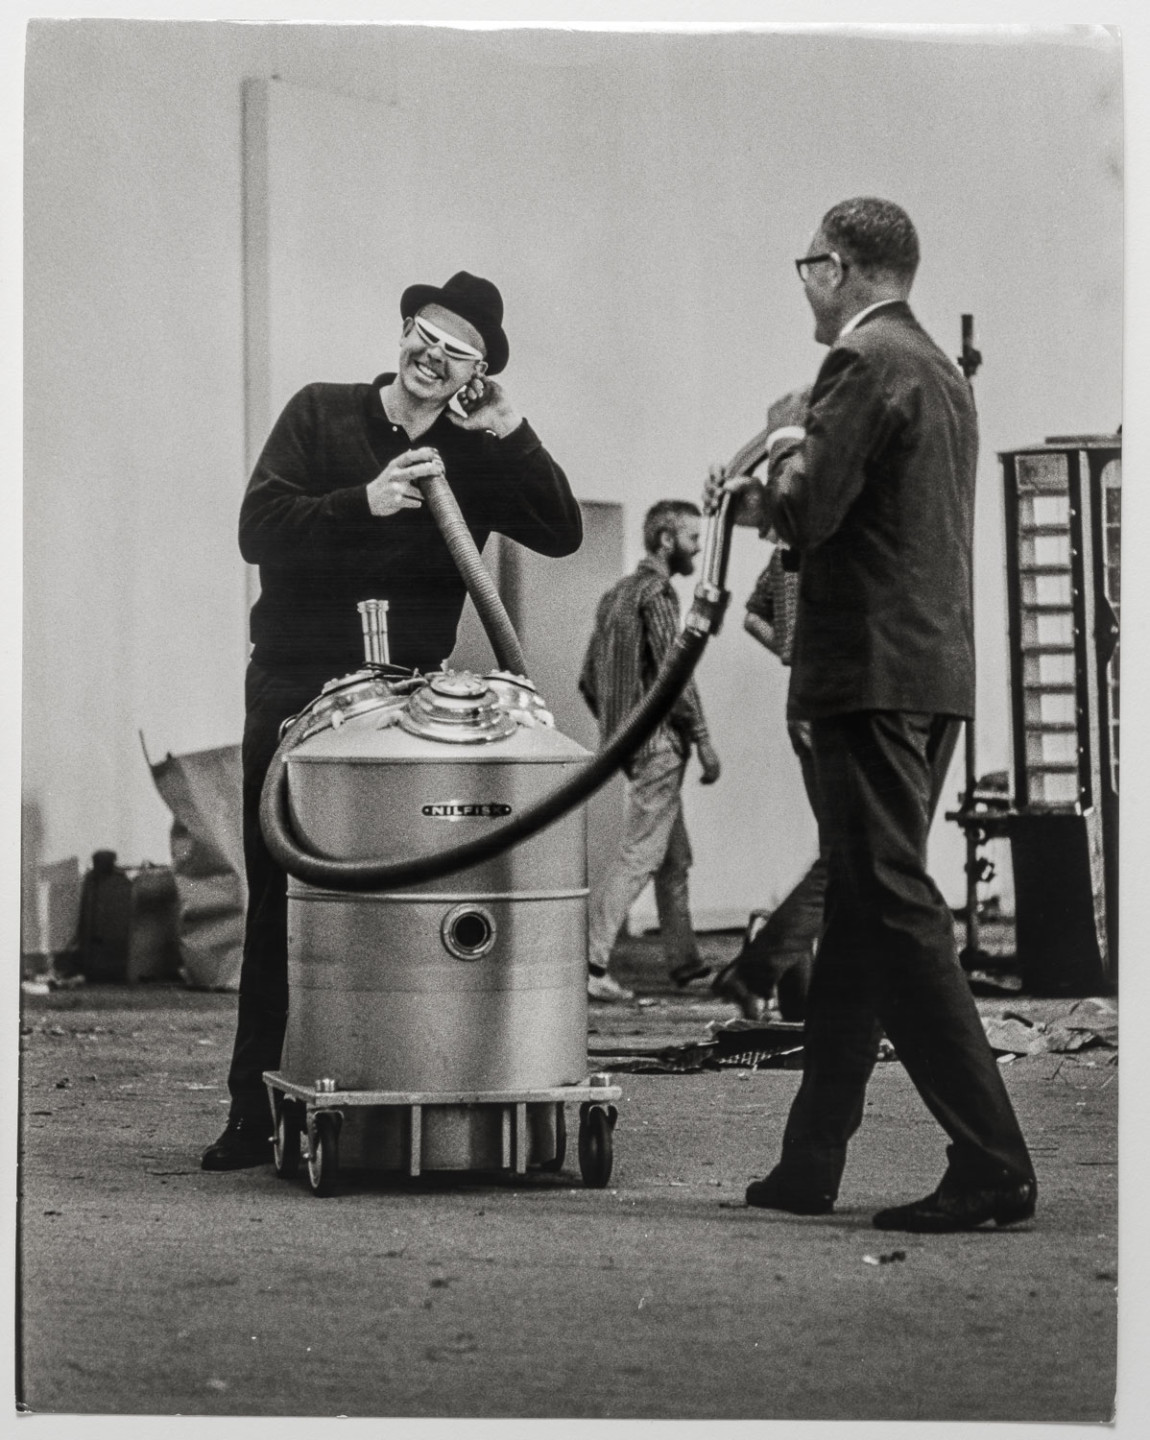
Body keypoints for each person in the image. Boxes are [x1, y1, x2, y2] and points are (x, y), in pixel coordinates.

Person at [202, 271, 583, 1170]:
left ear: (475, 373)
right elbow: (258, 527)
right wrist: (358, 503)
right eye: (425, 330)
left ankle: (379, 1078)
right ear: (403, 328)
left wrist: (511, 433)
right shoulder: (321, 413)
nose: (431, 353)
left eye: (457, 350)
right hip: (299, 694)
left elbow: (563, 531)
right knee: (283, 900)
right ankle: (251, 1110)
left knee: (404, 901)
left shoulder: (477, 453)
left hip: (409, 708)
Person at [708, 198, 1036, 1232]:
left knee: (889, 902)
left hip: (866, 677)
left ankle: (991, 1161)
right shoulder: (938, 370)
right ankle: (810, 1163)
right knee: (857, 903)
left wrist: (760, 462)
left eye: (806, 265)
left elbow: (809, 513)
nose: (803, 283)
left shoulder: (859, 365)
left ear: (837, 266)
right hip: (929, 675)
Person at [578, 501, 721, 1002]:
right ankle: (591, 964)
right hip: (661, 747)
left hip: (633, 746)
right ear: (665, 540)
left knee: (673, 858)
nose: (699, 547)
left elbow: (588, 680)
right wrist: (703, 741)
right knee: (641, 854)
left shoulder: (615, 595)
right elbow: (673, 676)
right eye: (691, 537)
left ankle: (685, 965)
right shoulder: (658, 592)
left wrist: (620, 731)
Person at [711, 534, 824, 1023]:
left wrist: (789, 649)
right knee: (858, 852)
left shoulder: (784, 553)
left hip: (800, 701)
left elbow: (751, 614)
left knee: (843, 849)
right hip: (835, 698)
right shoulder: (836, 542)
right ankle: (768, 963)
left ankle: (793, 976)